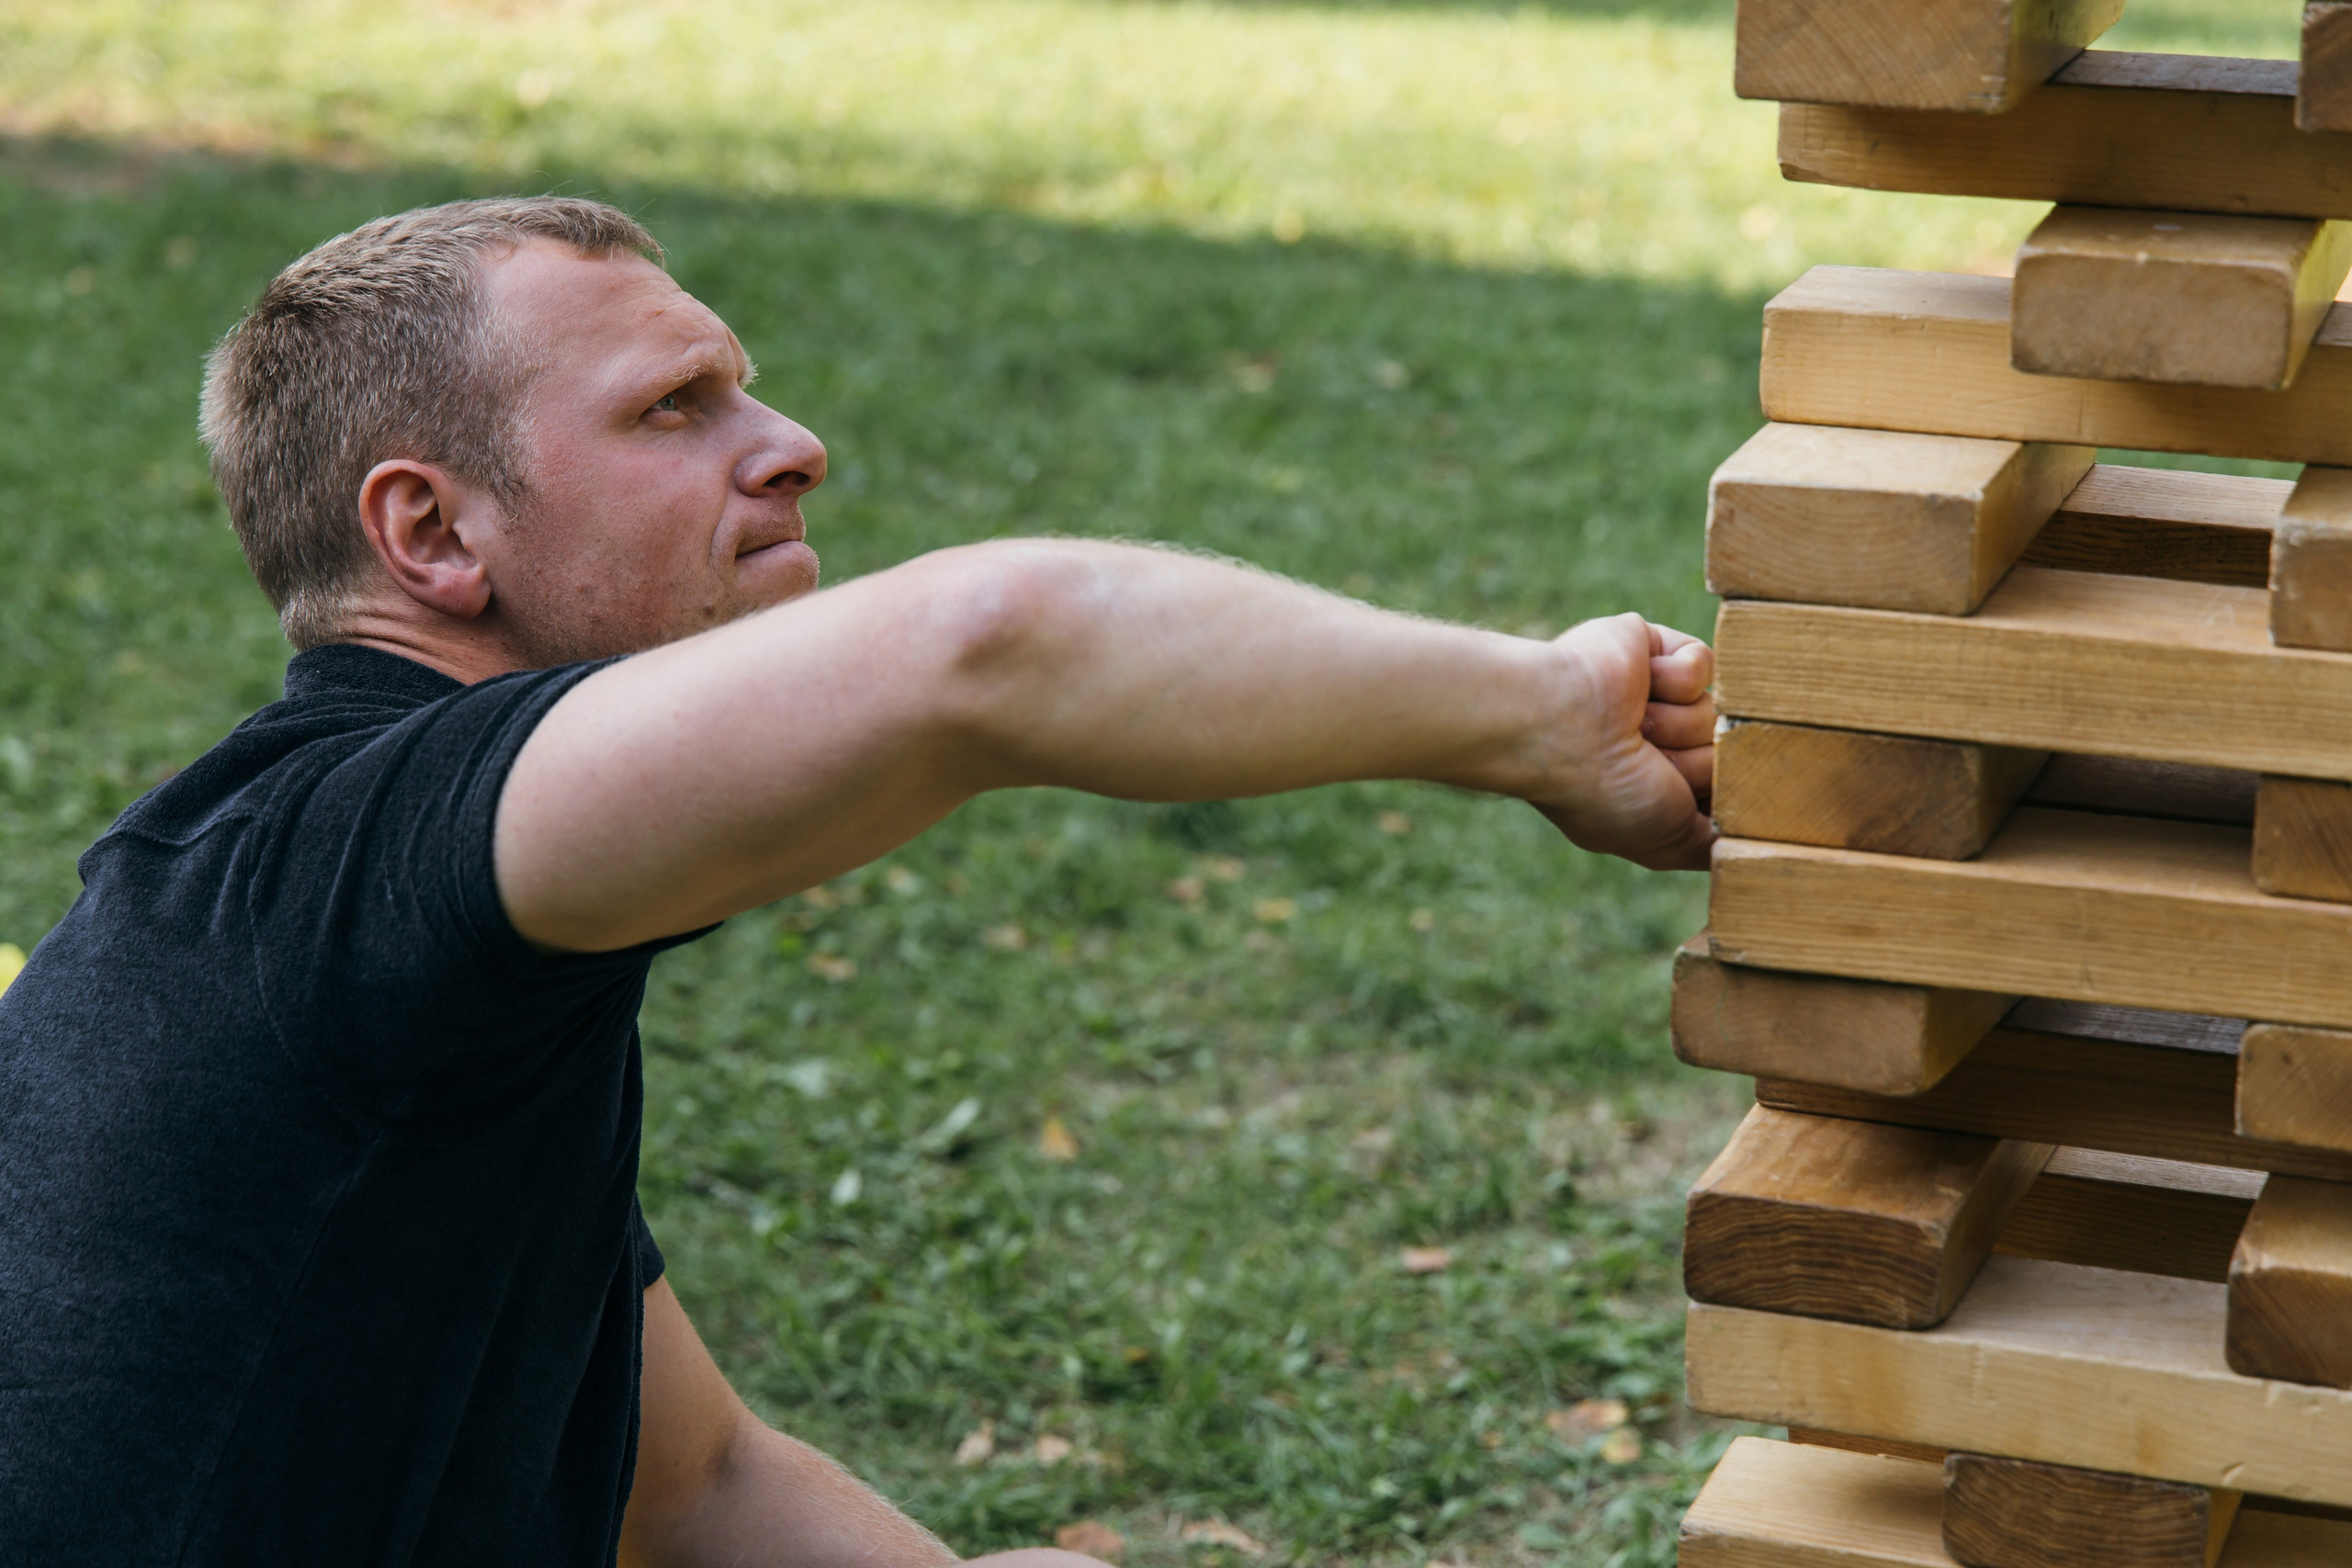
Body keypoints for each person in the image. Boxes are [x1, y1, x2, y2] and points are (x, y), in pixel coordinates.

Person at [0, 197, 1714, 1566]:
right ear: (435, 539)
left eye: (743, 384)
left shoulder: (396, 972)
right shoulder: (351, 866)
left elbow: (697, 1486)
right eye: (676, 409)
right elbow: (999, 651)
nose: (793, 440)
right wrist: (1544, 716)